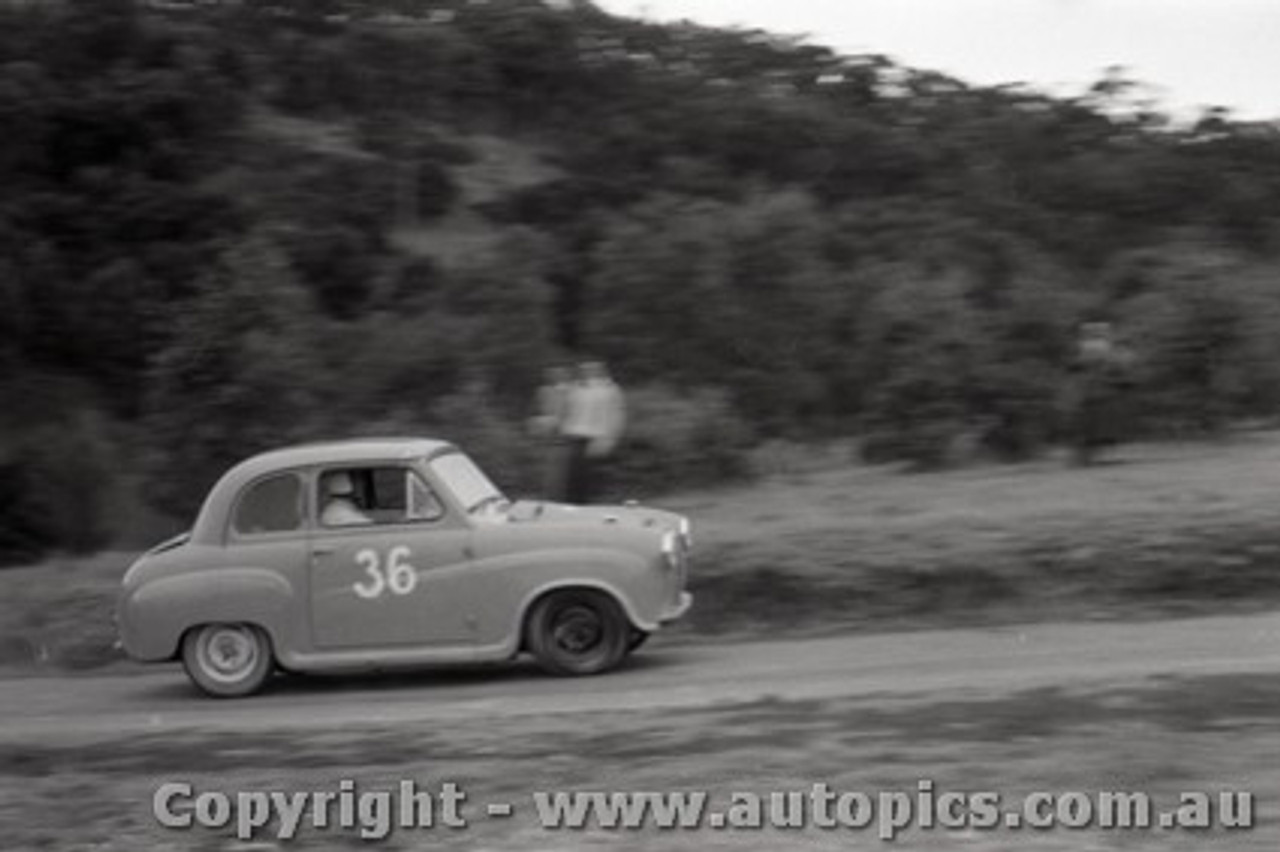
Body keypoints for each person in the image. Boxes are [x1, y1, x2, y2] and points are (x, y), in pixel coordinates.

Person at [560, 360, 626, 503]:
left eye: (591, 369)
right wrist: (565, 429)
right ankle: (574, 505)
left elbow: (617, 415)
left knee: (593, 477)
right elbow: (568, 410)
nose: (586, 372)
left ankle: (596, 505)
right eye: (583, 369)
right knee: (573, 476)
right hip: (576, 435)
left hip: (597, 437)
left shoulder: (611, 389)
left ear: (600, 371)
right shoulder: (575, 389)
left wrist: (610, 439)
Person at [530, 365, 574, 500]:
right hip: (548, 435)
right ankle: (549, 497)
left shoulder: (573, 391)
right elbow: (539, 410)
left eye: (558, 373)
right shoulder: (542, 391)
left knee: (564, 471)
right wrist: (540, 425)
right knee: (549, 471)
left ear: (565, 375)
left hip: (567, 436)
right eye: (551, 374)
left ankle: (562, 497)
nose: (553, 376)